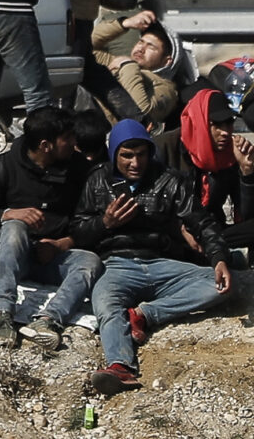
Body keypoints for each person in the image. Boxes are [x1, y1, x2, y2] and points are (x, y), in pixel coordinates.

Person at [74, 119, 232, 394]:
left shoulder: (169, 180)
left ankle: (145, 314)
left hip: (163, 263)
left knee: (224, 285)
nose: (135, 162)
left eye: (141, 154)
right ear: (114, 155)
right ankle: (120, 366)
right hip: (116, 264)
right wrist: (105, 222)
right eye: (127, 155)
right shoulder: (97, 180)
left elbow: (201, 222)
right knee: (106, 304)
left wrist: (219, 259)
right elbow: (77, 230)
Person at [0, 106, 98, 351]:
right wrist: (9, 214)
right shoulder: (5, 166)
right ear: (46, 145)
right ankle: (2, 314)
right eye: (67, 138)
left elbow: (91, 221)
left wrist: (61, 245)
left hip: (51, 256)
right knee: (15, 227)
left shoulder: (79, 169)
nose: (73, 143)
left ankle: (49, 321)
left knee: (90, 262)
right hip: (11, 254)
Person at [161, 88, 254, 249]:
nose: (225, 132)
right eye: (216, 125)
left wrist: (247, 172)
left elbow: (246, 216)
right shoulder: (164, 148)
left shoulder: (229, 154)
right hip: (174, 232)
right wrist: (178, 228)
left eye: (229, 123)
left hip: (213, 232)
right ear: (200, 122)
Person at [90, 20, 183, 127]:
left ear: (166, 61)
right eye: (141, 42)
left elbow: (138, 112)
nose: (141, 49)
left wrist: (128, 65)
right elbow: (86, 46)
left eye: (151, 47)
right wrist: (122, 24)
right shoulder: (119, 62)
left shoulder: (167, 89)